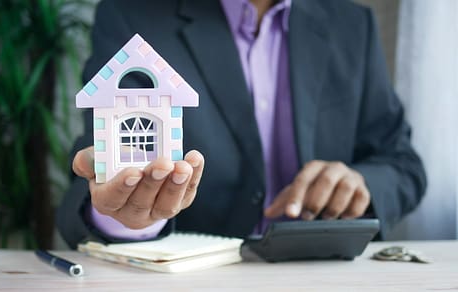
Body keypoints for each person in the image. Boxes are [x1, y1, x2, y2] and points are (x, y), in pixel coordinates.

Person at [57, 0, 427, 249]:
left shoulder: (351, 23)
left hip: (323, 271)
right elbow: (100, 168)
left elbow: (402, 164)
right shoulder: (132, 15)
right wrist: (127, 217)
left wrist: (361, 183)